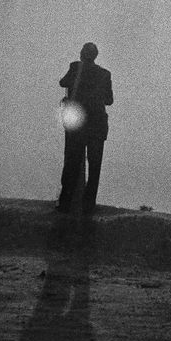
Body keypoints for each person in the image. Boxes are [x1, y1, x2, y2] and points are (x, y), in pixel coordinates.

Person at [56, 42, 113, 215]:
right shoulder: (104, 74)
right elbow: (109, 100)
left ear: (82, 54)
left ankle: (65, 204)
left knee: (72, 164)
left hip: (78, 125)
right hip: (97, 125)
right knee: (95, 167)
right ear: (95, 56)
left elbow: (62, 82)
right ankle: (88, 206)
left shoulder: (75, 68)